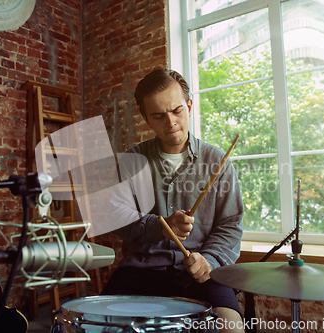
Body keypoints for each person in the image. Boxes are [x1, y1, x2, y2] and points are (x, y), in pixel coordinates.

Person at [101, 68, 244, 333]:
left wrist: (210, 260)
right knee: (100, 326)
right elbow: (114, 216)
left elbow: (230, 225)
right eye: (158, 116)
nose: (171, 122)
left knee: (231, 328)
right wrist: (160, 226)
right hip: (141, 270)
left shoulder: (217, 162)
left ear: (189, 105)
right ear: (146, 118)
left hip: (202, 273)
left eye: (177, 111)